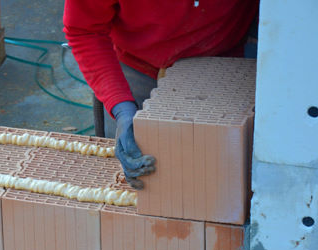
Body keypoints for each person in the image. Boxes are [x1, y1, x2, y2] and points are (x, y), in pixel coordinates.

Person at [64, 1, 259, 189]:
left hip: (225, 61)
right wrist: (122, 107)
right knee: (135, 172)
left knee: (222, 176)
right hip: (136, 63)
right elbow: (85, 30)